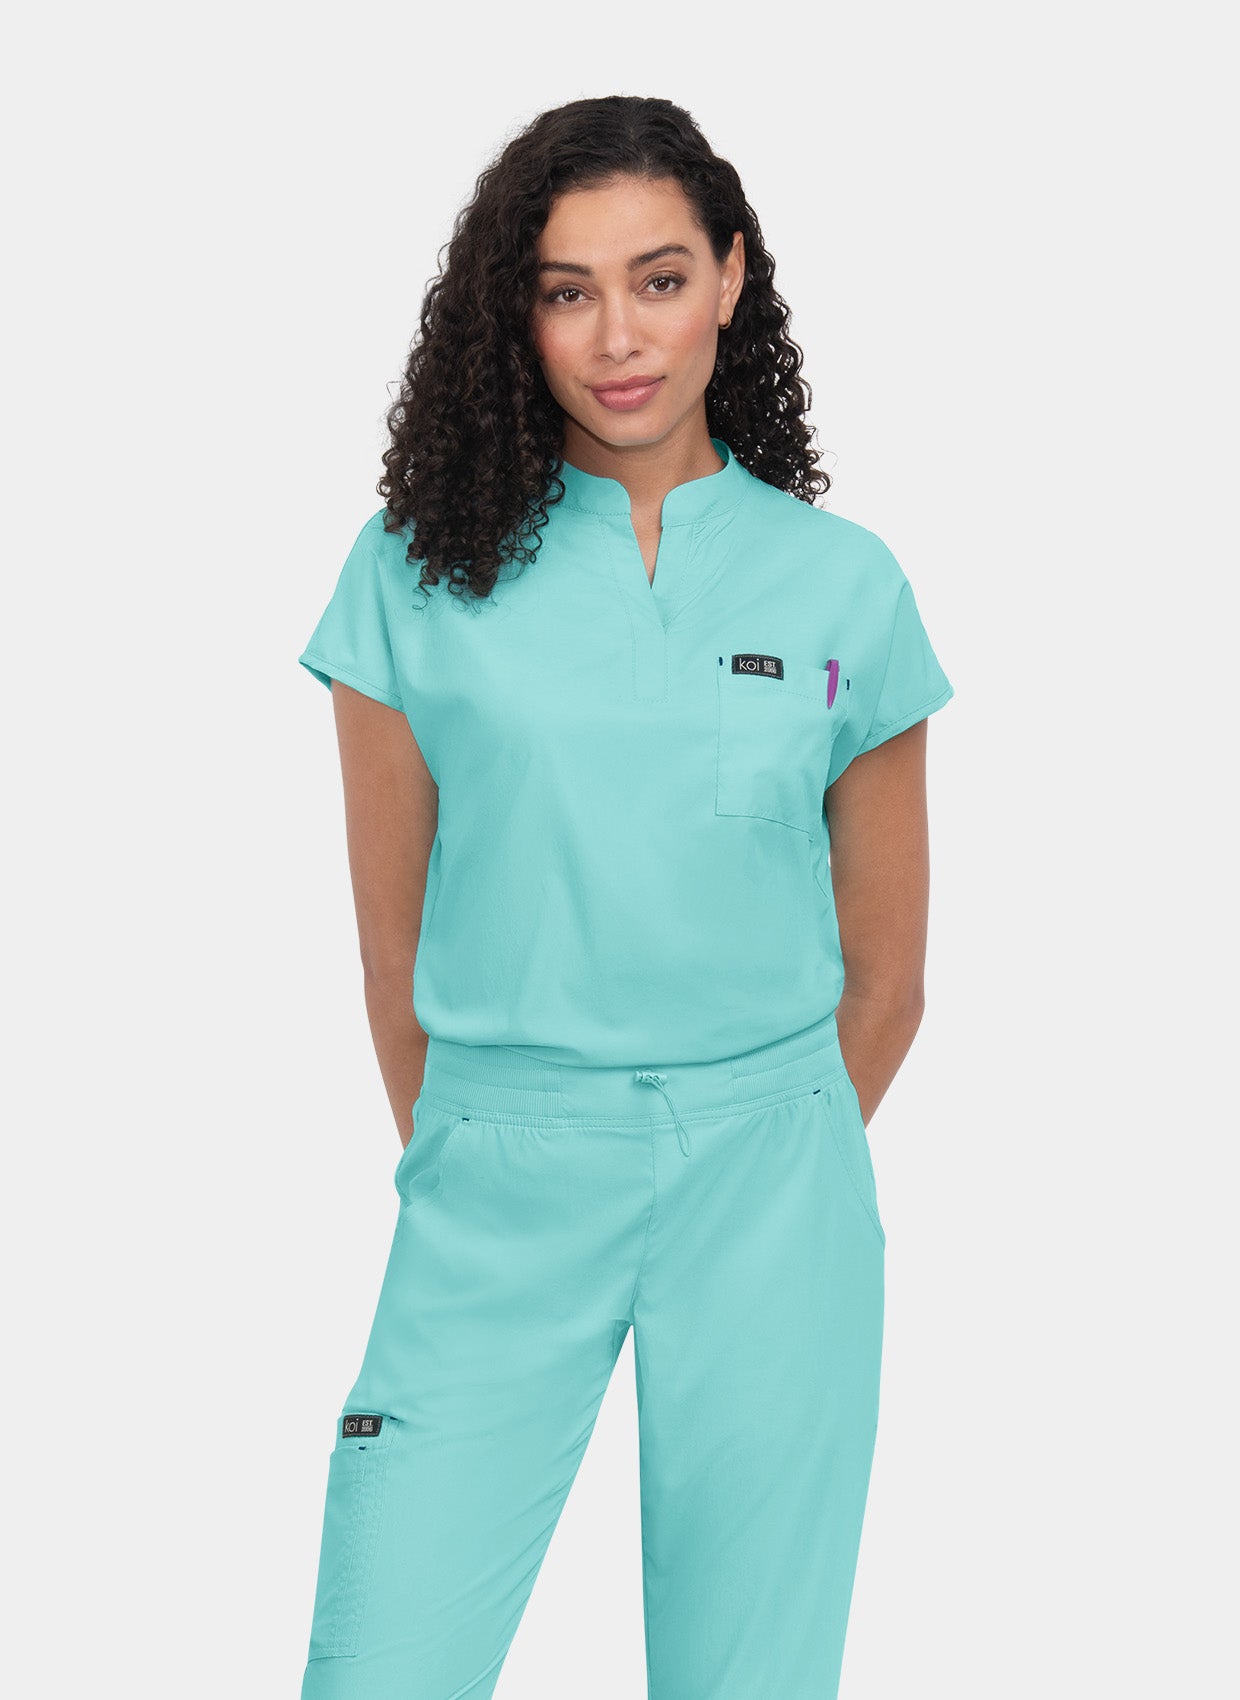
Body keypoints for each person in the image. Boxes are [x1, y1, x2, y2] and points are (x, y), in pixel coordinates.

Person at [295, 94, 954, 1700]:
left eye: (658, 279)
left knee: (752, 1678)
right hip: (498, 1174)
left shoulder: (845, 584)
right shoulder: (410, 571)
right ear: (514, 316)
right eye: (565, 291)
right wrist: (503, 1141)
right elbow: (391, 950)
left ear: (731, 276)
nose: (618, 338)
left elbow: (888, 977)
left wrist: (756, 1139)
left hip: (773, 1181)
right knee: (381, 1665)